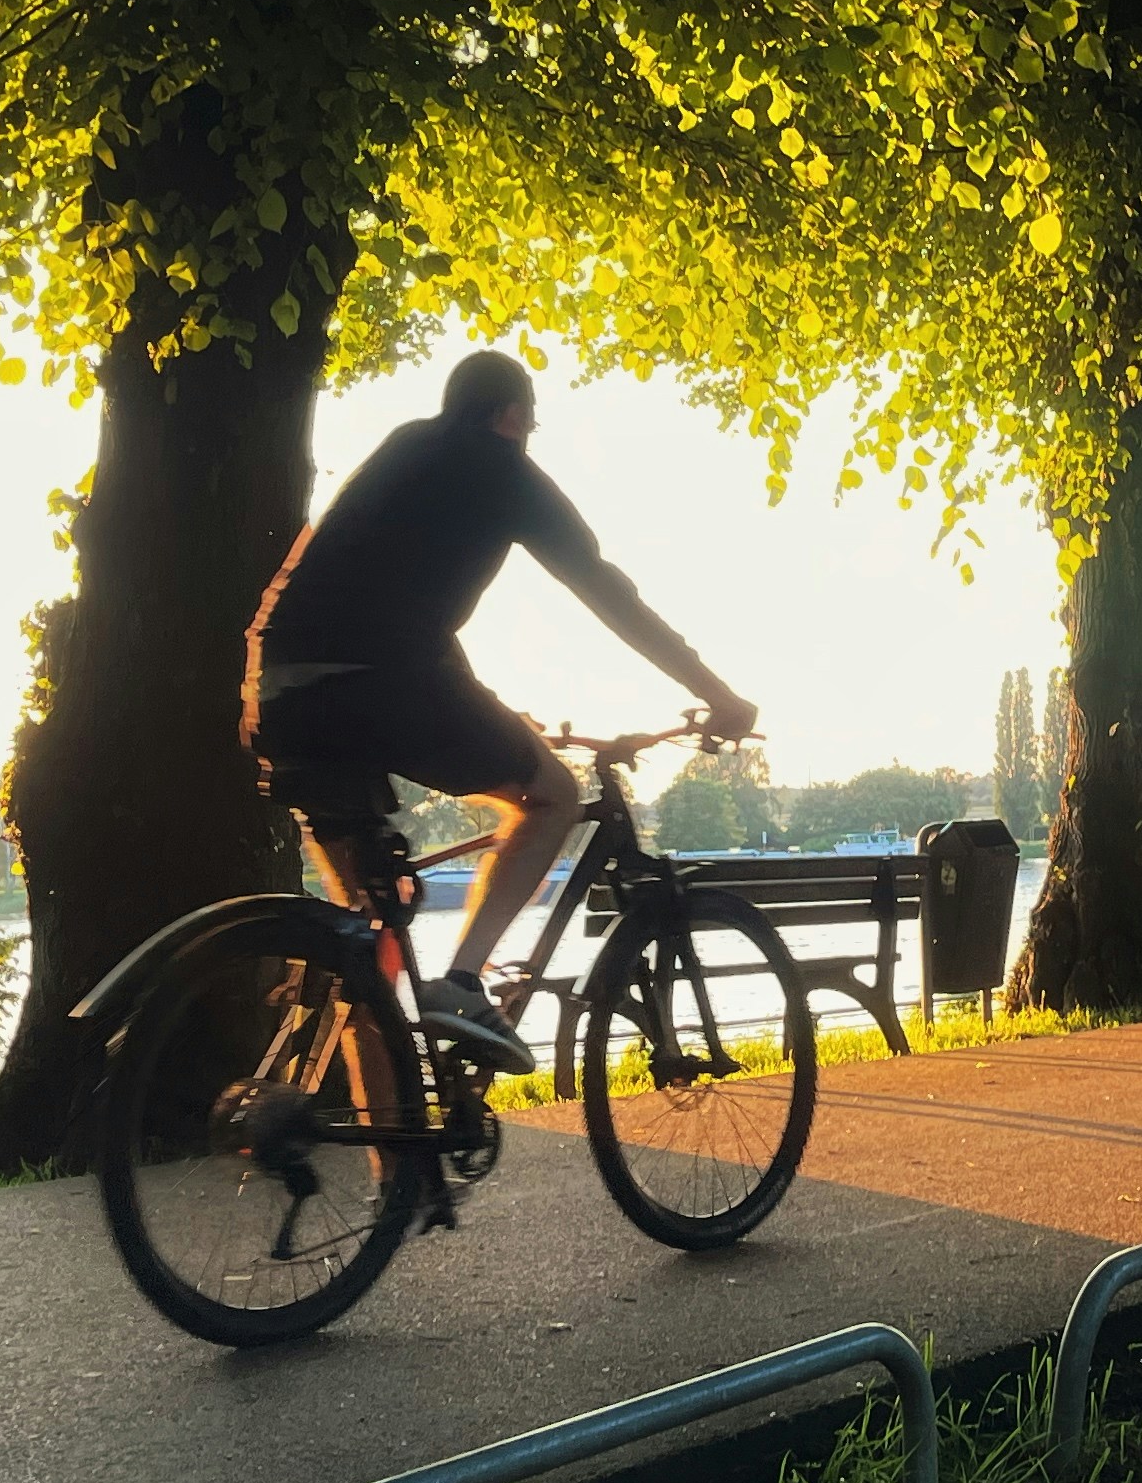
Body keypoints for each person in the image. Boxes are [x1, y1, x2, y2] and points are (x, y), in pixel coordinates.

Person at [246, 349, 758, 1032]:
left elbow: (386, 601)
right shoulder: (505, 471)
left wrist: (490, 709)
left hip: (278, 692)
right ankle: (462, 981)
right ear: (513, 414)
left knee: (371, 947)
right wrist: (715, 692)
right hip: (379, 685)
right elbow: (609, 592)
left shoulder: (402, 451)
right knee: (554, 795)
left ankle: (390, 1133)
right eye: (531, 423)